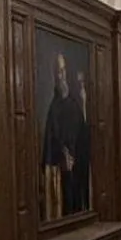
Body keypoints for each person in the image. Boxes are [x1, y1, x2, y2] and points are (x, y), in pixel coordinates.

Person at [42, 53, 90, 218]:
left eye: (62, 71)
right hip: (61, 179)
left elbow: (83, 136)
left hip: (76, 175)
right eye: (57, 72)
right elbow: (49, 147)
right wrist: (63, 153)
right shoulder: (53, 110)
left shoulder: (74, 105)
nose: (60, 76)